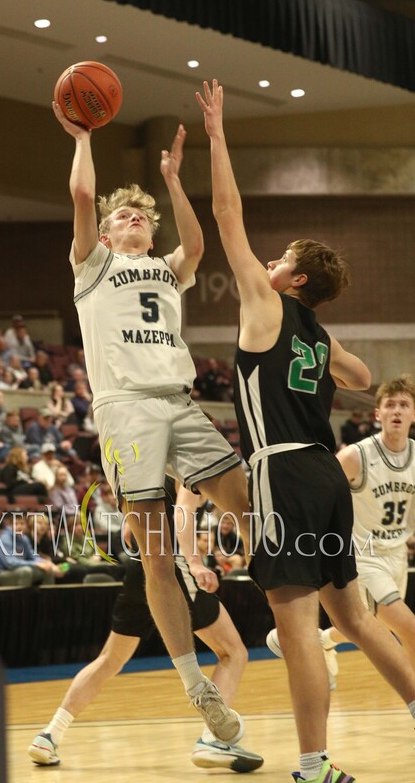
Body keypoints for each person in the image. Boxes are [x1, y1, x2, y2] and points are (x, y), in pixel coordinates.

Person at [196, 79, 415, 783]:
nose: (267, 260)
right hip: (324, 476)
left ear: (293, 281)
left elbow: (225, 212)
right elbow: (362, 375)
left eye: (280, 258)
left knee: (297, 633)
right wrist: (322, 348)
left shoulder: (265, 307)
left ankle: (314, 764)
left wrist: (217, 134)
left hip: (283, 473)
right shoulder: (317, 334)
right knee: (353, 620)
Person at [52, 100, 253, 745]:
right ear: (106, 235)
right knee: (156, 556)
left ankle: (298, 620)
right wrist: (83, 137)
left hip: (178, 401)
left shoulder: (167, 270)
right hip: (126, 408)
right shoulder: (93, 265)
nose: (132, 217)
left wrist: (172, 180)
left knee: (251, 504)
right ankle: (197, 686)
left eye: (140, 214)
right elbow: (82, 195)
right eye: (121, 215)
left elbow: (196, 245)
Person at [29, 483, 263, 771]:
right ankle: (213, 739)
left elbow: (129, 529)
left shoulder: (143, 469)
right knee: (233, 652)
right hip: (173, 568)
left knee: (109, 659)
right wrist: (194, 561)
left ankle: (49, 735)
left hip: (141, 566)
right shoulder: (186, 464)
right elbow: (183, 510)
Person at [267, 373, 415, 686]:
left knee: (368, 623)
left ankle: (323, 640)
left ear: (413, 414)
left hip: (397, 556)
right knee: (409, 628)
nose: (397, 411)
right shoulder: (356, 456)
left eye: (404, 405)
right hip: (365, 557)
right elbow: (319, 494)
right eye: (390, 405)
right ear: (378, 414)